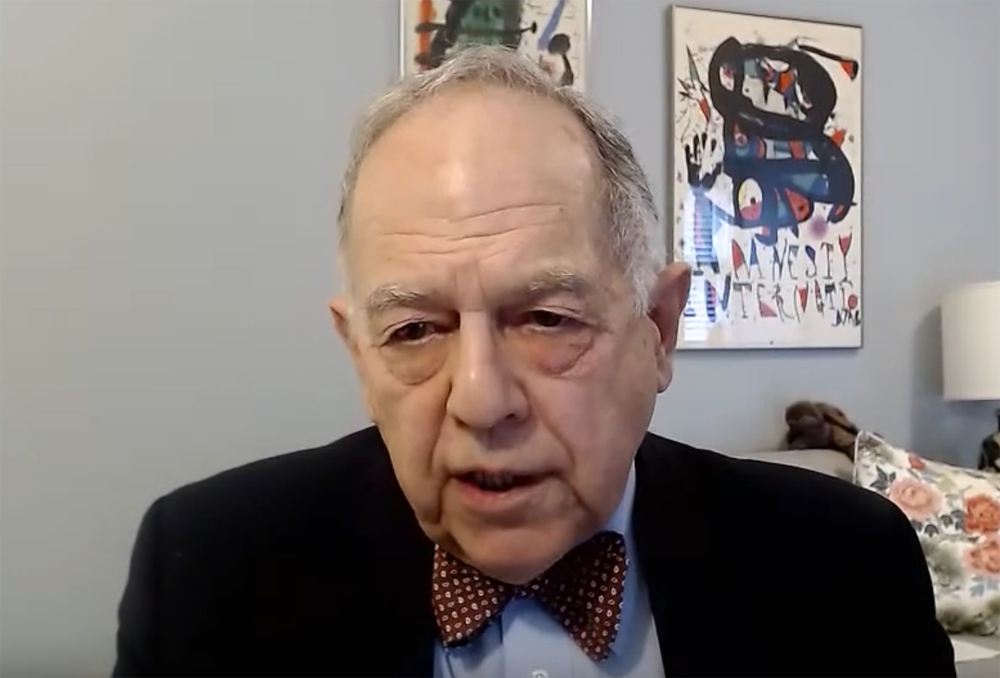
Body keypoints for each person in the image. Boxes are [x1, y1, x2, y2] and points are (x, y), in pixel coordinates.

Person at [113, 46, 955, 678]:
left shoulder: (846, 564)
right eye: (413, 331)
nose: (481, 402)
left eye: (547, 319)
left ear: (657, 332)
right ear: (359, 355)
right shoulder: (208, 574)